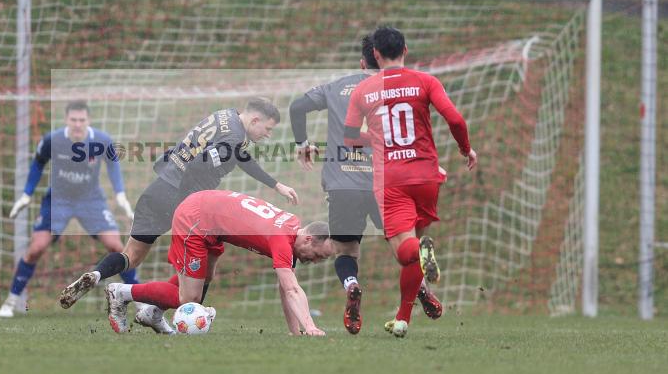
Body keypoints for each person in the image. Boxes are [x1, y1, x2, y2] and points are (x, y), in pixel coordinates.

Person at [58, 98, 300, 328]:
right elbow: (200, 164)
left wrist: (275, 184)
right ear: (255, 120)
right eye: (268, 129)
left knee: (131, 255)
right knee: (202, 265)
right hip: (182, 199)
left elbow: (236, 154)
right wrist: (187, 203)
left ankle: (98, 275)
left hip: (158, 189)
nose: (268, 135)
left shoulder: (226, 117)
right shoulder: (235, 136)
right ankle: (169, 310)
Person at [288, 34, 442, 335]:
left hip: (342, 183)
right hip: (387, 183)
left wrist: (303, 143)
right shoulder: (403, 87)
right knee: (404, 246)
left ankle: (352, 285)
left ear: (363, 61)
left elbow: (297, 107)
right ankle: (420, 288)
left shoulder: (337, 86)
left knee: (346, 251)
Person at [344, 26, 477, 338]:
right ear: (405, 50)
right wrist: (465, 149)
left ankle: (420, 253)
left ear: (375, 54)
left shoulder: (363, 92)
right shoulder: (425, 81)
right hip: (427, 176)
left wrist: (374, 138)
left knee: (405, 251)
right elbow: (456, 119)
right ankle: (402, 319)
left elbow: (349, 138)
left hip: (392, 179)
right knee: (414, 251)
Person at [105, 190, 333, 336]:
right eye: (318, 255)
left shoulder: (292, 227)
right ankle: (121, 293)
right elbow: (292, 289)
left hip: (210, 214)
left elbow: (286, 287)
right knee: (189, 298)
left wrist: (296, 333)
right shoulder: (282, 240)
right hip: (196, 217)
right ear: (309, 239)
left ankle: (153, 312)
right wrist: (311, 327)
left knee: (206, 276)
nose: (314, 262)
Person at [0, 100, 137, 318]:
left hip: (91, 200)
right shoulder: (53, 140)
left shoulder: (101, 140)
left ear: (88, 121)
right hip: (58, 200)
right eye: (74, 120)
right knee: (36, 248)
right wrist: (26, 194)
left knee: (116, 245)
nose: (78, 124)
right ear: (66, 120)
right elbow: (38, 163)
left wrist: (120, 195)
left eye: (82, 120)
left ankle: (140, 300)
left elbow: (113, 164)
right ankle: (11, 300)